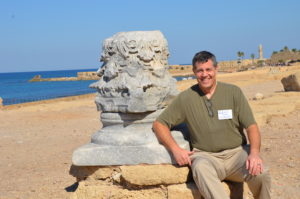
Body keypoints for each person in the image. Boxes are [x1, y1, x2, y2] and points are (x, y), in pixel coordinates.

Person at [152, 51, 271, 199]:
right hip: (206, 157)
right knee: (200, 168)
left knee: (262, 173)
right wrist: (175, 149)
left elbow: (251, 126)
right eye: (200, 70)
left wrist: (254, 153)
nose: (204, 74)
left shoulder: (233, 92)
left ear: (216, 69)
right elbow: (159, 124)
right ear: (194, 72)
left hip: (236, 155)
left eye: (208, 69)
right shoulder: (185, 98)